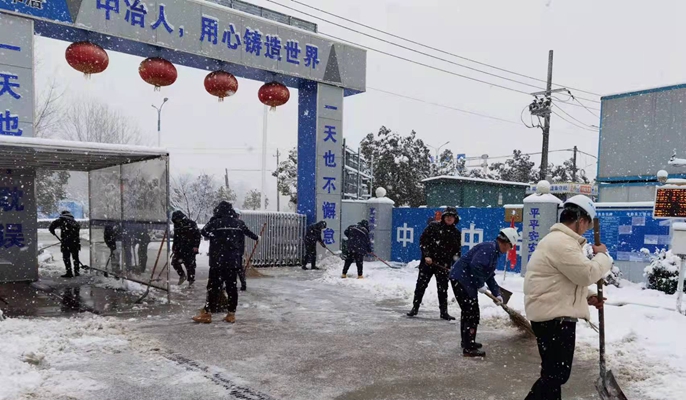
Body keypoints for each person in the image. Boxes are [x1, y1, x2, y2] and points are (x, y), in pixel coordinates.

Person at [524, 195, 612, 400]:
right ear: (581, 221)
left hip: (551, 314)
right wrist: (602, 256)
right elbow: (587, 274)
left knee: (553, 375)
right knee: (555, 375)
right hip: (554, 318)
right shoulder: (561, 242)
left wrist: (588, 296)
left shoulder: (560, 241)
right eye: (587, 225)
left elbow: (565, 279)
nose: (586, 230)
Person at [449, 227, 519, 357]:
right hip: (462, 279)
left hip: (466, 280)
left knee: (469, 311)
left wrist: (497, 294)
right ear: (506, 242)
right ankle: (469, 347)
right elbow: (475, 266)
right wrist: (480, 284)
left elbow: (489, 276)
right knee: (472, 312)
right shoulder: (489, 248)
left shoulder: (493, 251)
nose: (509, 250)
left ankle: (467, 342)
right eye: (510, 246)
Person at [192, 201, 259, 324]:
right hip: (233, 261)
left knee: (213, 287)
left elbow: (204, 232)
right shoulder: (238, 223)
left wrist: (214, 234)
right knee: (231, 287)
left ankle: (207, 313)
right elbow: (250, 234)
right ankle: (231, 314)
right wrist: (257, 237)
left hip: (217, 261)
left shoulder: (215, 222)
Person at [407, 207, 462, 321]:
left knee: (443, 289)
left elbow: (456, 251)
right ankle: (415, 308)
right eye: (447, 216)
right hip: (428, 262)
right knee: (421, 285)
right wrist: (427, 255)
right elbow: (423, 241)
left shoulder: (456, 233)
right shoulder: (433, 227)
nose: (449, 218)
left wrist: (455, 265)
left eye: (452, 217)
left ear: (455, 219)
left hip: (443, 265)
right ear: (443, 217)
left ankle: (444, 312)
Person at [171, 210, 201, 286]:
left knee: (190, 265)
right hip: (179, 248)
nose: (177, 221)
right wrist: (174, 247)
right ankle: (182, 275)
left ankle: (191, 280)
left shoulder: (191, 224)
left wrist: (196, 246)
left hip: (190, 248)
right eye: (175, 220)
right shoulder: (176, 225)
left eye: (177, 219)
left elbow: (197, 236)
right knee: (175, 262)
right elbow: (176, 237)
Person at [49, 211, 82, 278]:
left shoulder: (62, 219)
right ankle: (77, 272)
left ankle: (69, 272)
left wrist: (53, 231)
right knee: (75, 258)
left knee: (66, 257)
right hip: (75, 242)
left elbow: (52, 226)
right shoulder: (74, 222)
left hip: (66, 242)